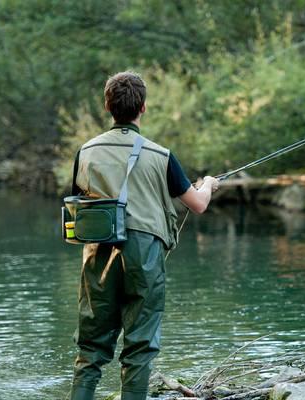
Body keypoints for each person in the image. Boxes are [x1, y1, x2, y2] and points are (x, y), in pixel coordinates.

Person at [68, 71, 219, 400]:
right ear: (144, 108)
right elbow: (197, 205)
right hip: (145, 253)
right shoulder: (160, 155)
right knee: (139, 347)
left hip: (97, 253)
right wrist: (208, 183)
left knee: (90, 348)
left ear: (108, 107)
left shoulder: (86, 152)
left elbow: (78, 203)